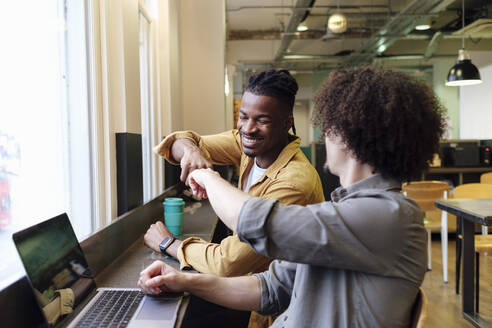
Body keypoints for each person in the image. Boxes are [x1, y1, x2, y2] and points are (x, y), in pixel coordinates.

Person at [138, 66, 446, 327]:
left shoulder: (386, 215)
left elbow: (256, 221)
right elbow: (270, 288)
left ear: (349, 136)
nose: (325, 134)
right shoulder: (348, 213)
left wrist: (204, 175)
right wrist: (182, 281)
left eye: (330, 126)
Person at [144, 69, 324, 326]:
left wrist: (167, 244)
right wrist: (193, 152)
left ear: (286, 123)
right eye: (243, 117)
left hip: (278, 309)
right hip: (249, 288)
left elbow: (227, 263)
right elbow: (178, 141)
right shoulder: (247, 145)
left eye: (262, 120)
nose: (248, 128)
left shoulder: (294, 182)